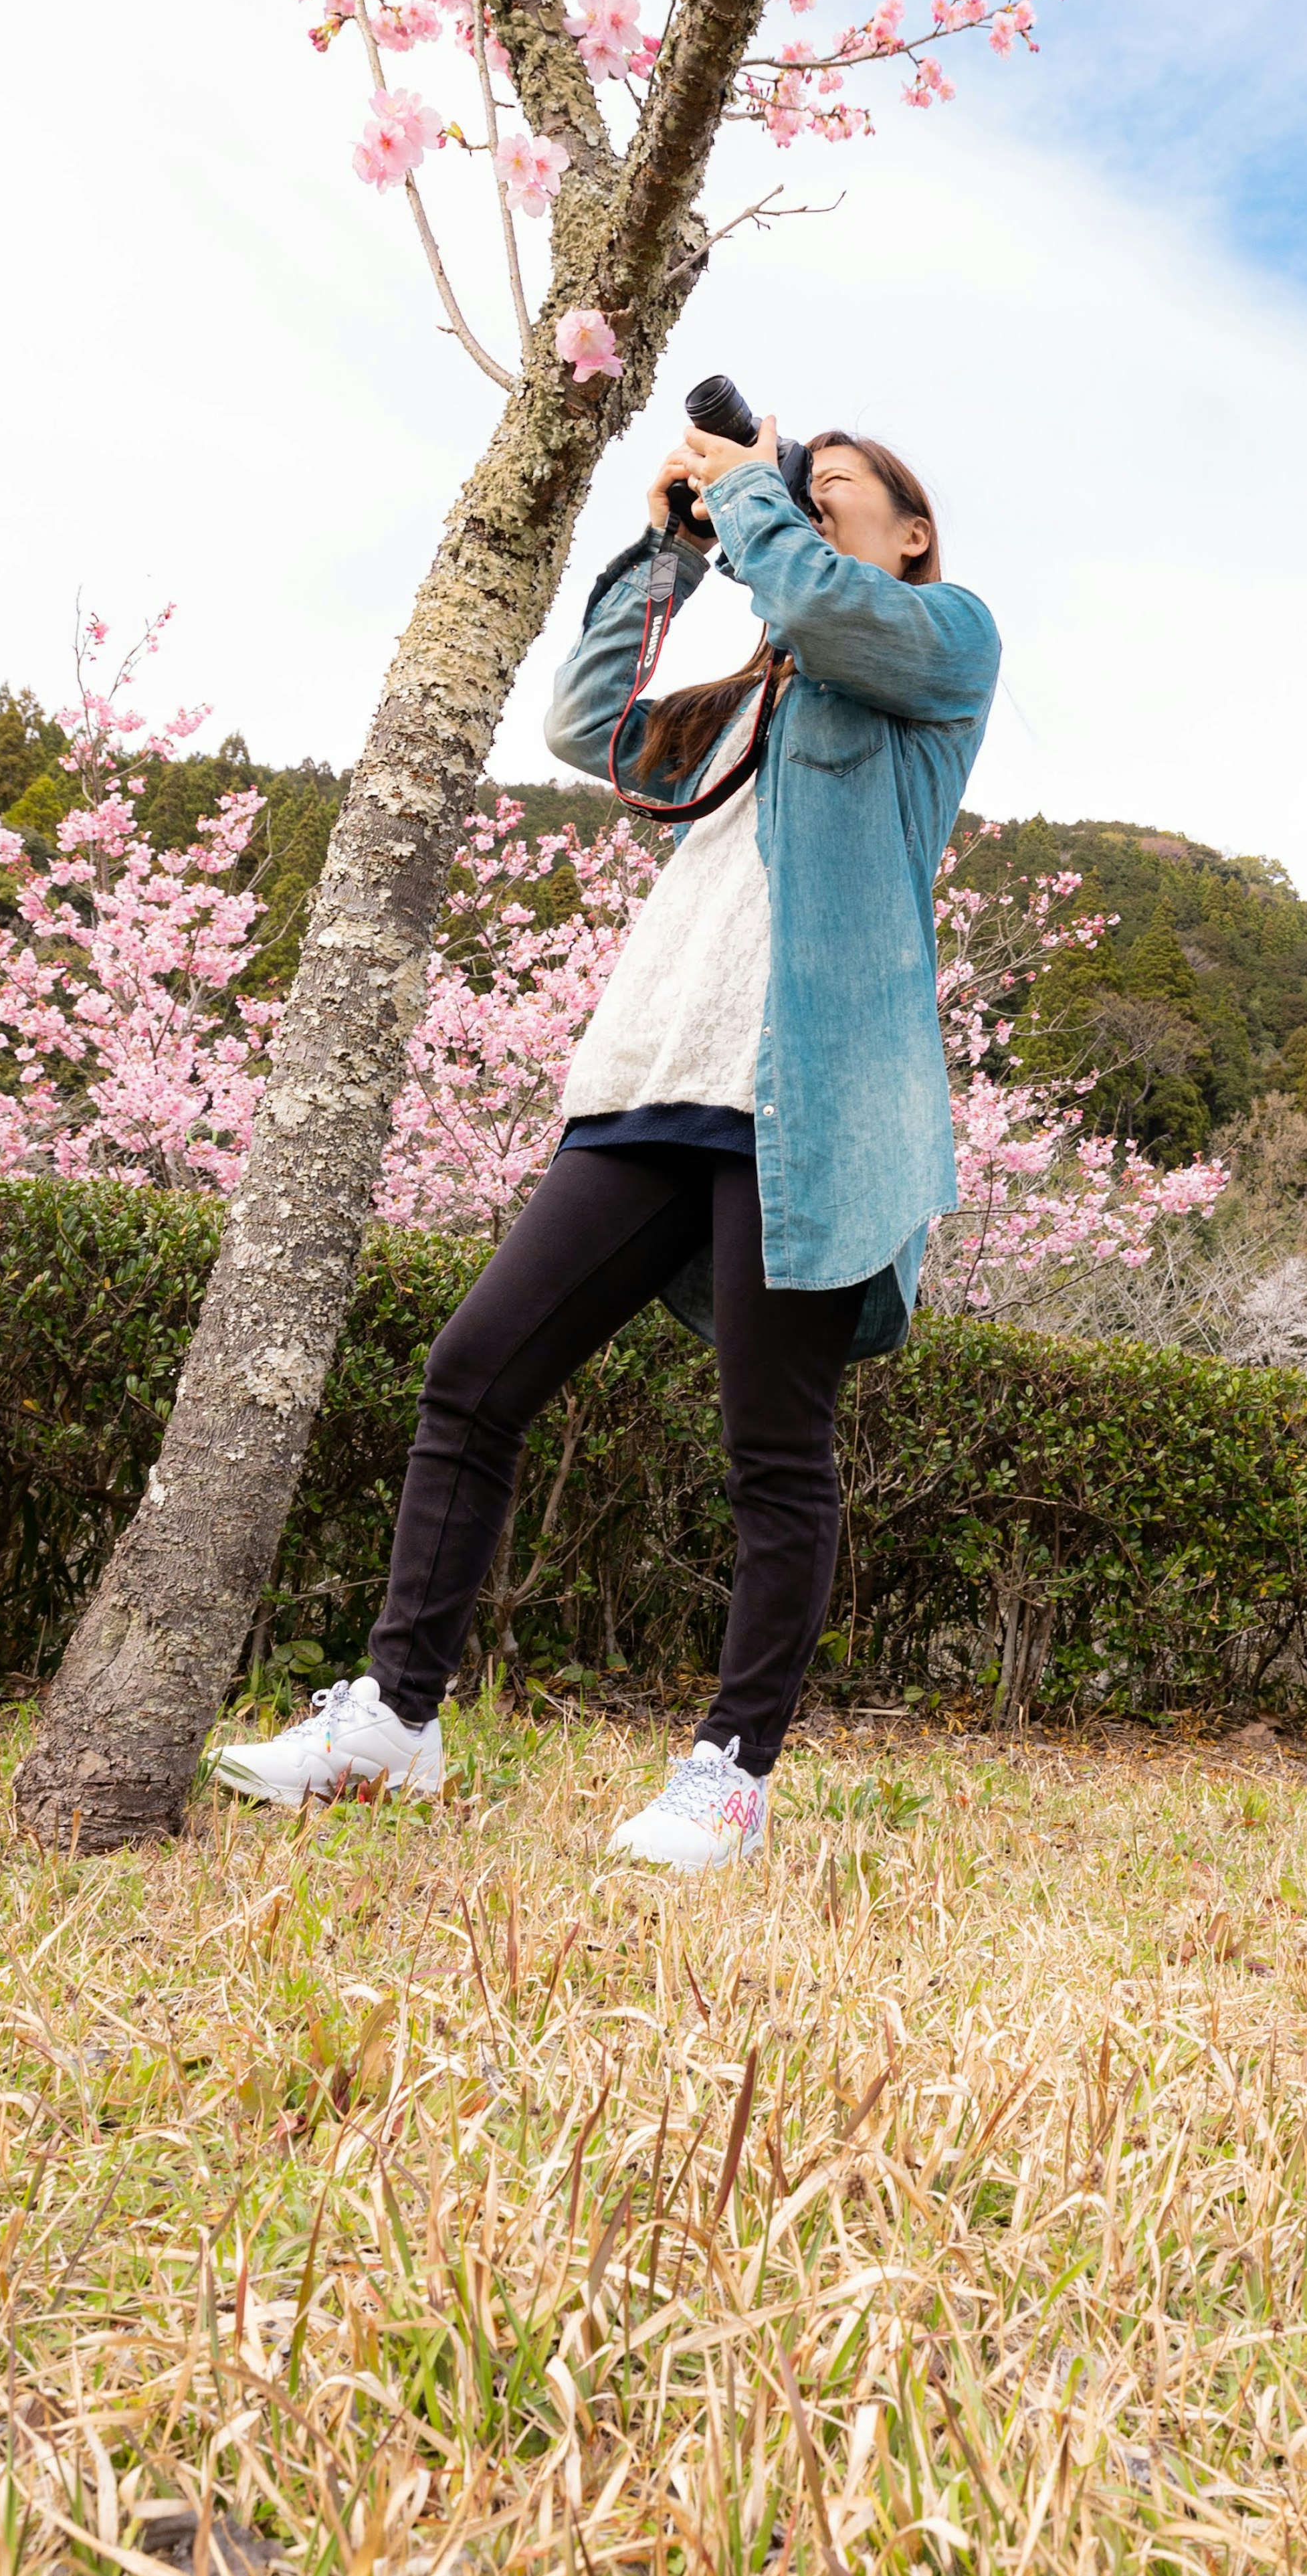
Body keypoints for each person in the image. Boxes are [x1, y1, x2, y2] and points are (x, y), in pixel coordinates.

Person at [211, 405, 1000, 1860]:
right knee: (474, 1373)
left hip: (807, 1099)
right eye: (792, 498)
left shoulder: (940, 642)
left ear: (910, 535)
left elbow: (830, 607)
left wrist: (760, 497)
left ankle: (729, 1772)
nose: (801, 516)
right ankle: (398, 1716)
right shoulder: (763, 680)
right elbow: (589, 727)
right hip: (653, 1073)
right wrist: (668, 551)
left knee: (777, 1447)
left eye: (832, 498)